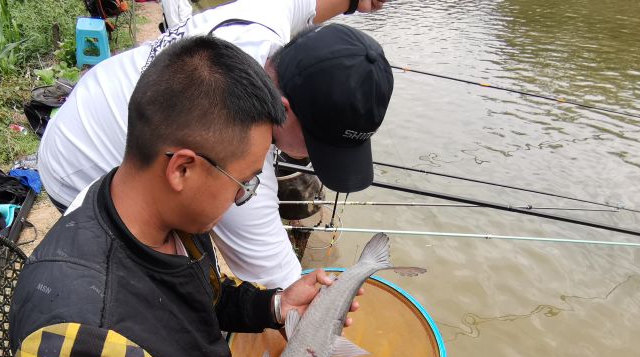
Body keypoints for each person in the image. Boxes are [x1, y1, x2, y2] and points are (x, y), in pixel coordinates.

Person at [8, 36, 359, 357]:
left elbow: (201, 300)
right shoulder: (86, 340)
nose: (244, 197)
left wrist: (276, 305)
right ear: (183, 168)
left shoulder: (151, 214)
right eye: (244, 181)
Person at [38, 0, 393, 289]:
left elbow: (313, 5)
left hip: (100, 89)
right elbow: (279, 280)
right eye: (319, 148)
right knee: (160, 283)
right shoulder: (234, 144)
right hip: (81, 162)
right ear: (283, 111)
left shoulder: (267, 17)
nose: (315, 161)